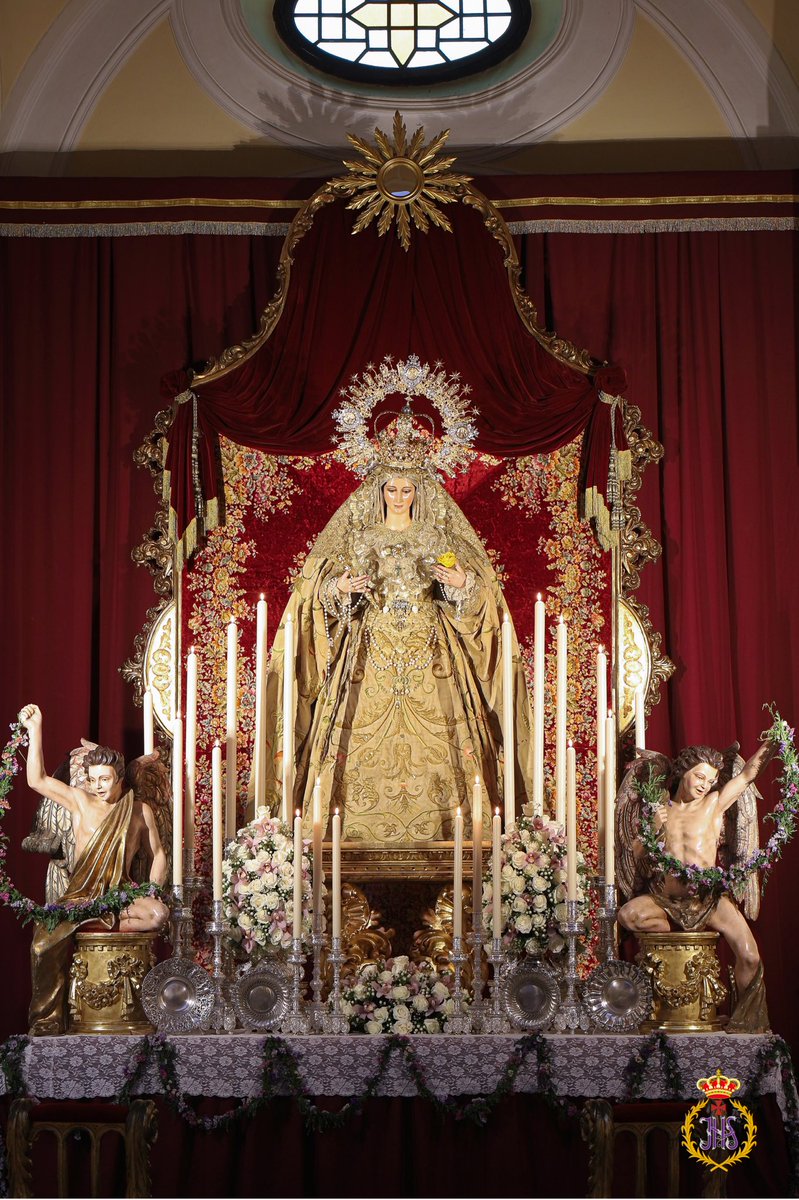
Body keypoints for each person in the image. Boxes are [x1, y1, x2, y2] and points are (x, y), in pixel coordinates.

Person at [263, 401, 535, 845]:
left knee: (448, 741)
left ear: (419, 492)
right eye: (392, 489)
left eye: (408, 490)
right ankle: (342, 837)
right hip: (369, 651)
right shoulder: (361, 537)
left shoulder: (436, 536)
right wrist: (340, 589)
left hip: (433, 654)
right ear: (380, 490)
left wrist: (460, 583)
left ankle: (459, 833)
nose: (399, 497)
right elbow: (322, 591)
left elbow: (471, 596)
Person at [18, 703, 169, 1035]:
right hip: (81, 896)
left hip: (120, 895)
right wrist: (36, 730)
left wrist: (152, 890)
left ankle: (98, 918)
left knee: (157, 915)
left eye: (106, 779)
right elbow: (37, 779)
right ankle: (48, 1018)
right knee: (42, 944)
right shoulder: (79, 801)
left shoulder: (138, 810)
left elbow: (159, 854)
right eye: (93, 779)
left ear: (119, 779)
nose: (99, 786)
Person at [616, 738, 776, 1032]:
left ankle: (746, 1023)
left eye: (711, 779)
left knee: (750, 957)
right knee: (628, 915)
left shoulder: (714, 804)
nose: (705, 784)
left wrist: (775, 743)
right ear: (682, 771)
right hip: (667, 900)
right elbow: (636, 854)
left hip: (708, 899)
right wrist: (653, 827)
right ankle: (675, 937)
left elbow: (747, 774)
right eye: (700, 776)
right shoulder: (661, 808)